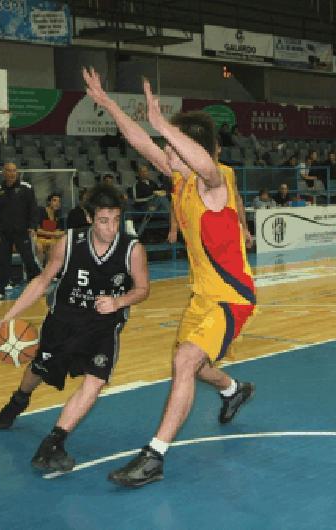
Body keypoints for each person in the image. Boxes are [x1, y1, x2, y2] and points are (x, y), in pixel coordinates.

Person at [83, 67, 256, 487]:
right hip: (202, 296)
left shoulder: (215, 182)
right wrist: (108, 105)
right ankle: (233, 389)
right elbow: (140, 142)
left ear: (192, 147)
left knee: (184, 361)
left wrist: (163, 123)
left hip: (231, 297)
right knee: (193, 367)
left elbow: (207, 167)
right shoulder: (180, 179)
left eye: (172, 145)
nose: (165, 151)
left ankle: (154, 457)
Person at [0, 183, 150, 473]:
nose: (111, 227)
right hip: (63, 320)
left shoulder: (132, 249)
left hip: (103, 326)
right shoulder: (69, 242)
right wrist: (8, 316)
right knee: (39, 368)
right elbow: (41, 281)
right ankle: (18, 400)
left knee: (96, 379)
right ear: (89, 218)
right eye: (103, 220)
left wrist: (119, 301)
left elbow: (142, 289)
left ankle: (54, 442)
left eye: (115, 220)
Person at [0, 161, 42, 301]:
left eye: (14, 170)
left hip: (23, 231)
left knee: (29, 260)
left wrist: (33, 226)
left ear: (17, 172)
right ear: (3, 172)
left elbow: (33, 209)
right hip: (4, 234)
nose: (11, 173)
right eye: (8, 170)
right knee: (2, 261)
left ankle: (37, 288)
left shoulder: (26, 188)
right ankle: (0, 290)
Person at [35, 192, 66, 266]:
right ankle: (39, 271)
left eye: (59, 201)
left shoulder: (57, 215)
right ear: (49, 202)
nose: (57, 203)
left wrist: (60, 233)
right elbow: (37, 230)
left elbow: (57, 230)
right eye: (54, 201)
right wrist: (54, 234)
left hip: (50, 240)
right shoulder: (41, 211)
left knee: (56, 245)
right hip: (38, 239)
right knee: (41, 247)